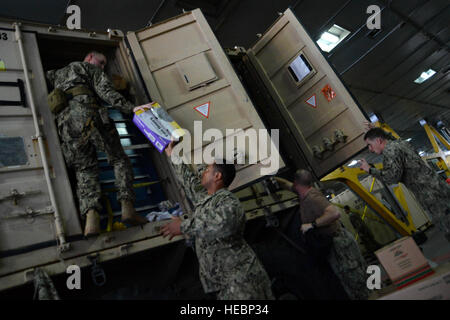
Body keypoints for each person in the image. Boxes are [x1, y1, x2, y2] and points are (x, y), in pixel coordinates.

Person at [46, 51, 147, 237]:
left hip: (65, 126)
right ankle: (128, 209)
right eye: (101, 63)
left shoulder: (56, 75)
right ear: (90, 57)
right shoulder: (88, 68)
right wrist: (132, 108)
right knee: (119, 159)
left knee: (85, 169)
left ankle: (91, 221)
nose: (102, 67)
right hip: (88, 116)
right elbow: (106, 92)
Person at [160, 141, 274, 300]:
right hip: (225, 287)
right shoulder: (207, 199)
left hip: (243, 283)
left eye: (206, 170)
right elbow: (188, 182)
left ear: (217, 176)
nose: (202, 173)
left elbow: (223, 225)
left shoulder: (229, 201)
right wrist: (172, 154)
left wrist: (184, 226)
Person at [275, 170, 369, 300]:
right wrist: (274, 179)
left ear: (298, 183)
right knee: (345, 279)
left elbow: (334, 213)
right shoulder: (304, 192)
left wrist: (312, 224)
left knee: (352, 278)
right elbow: (287, 185)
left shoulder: (312, 198)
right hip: (334, 243)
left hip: (339, 244)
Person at [359, 128, 450, 241]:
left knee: (447, 225)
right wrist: (377, 130)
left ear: (378, 141)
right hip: (438, 186)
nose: (370, 149)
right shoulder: (401, 143)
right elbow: (391, 139)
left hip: (430, 196)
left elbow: (391, 177)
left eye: (370, 145)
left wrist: (370, 170)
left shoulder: (390, 151)